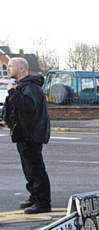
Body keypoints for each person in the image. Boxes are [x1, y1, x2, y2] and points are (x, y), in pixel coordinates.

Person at [3, 57, 52, 214]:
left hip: (31, 134)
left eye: (11, 66)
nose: (8, 69)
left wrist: (12, 92)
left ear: (22, 69)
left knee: (35, 169)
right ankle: (34, 197)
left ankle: (43, 202)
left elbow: (28, 106)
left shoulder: (31, 87)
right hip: (24, 134)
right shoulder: (23, 86)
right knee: (28, 169)